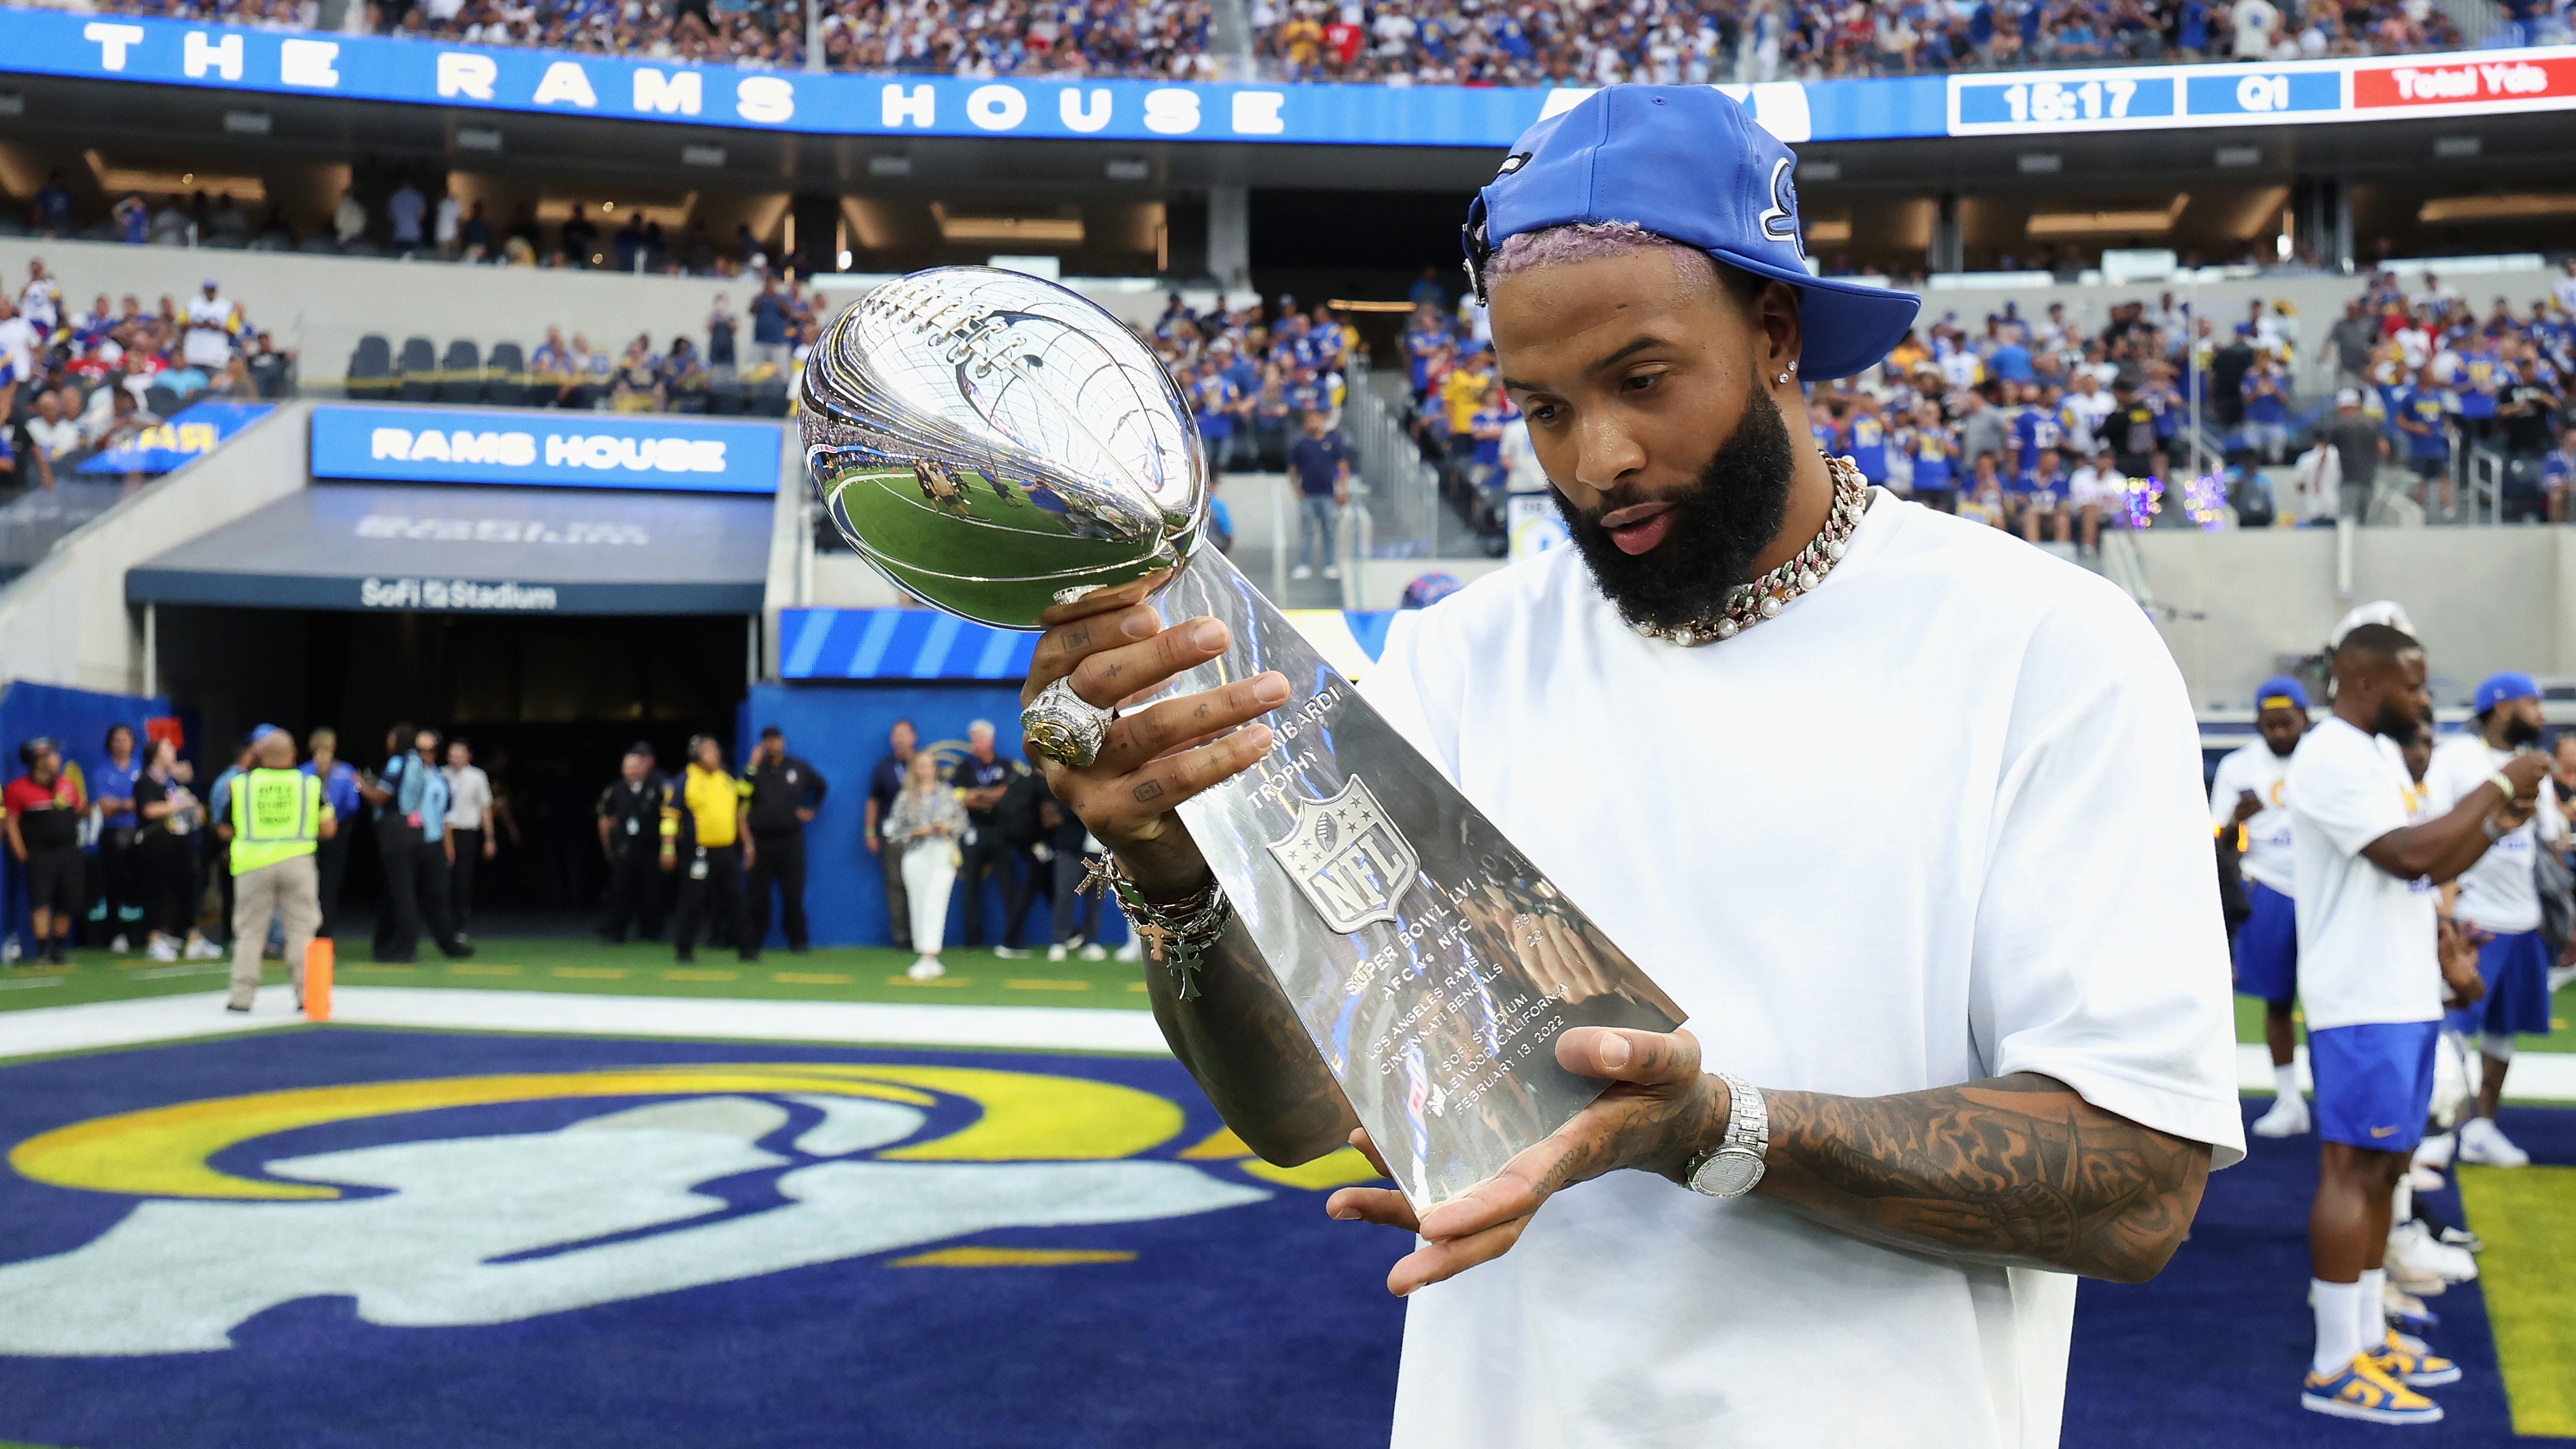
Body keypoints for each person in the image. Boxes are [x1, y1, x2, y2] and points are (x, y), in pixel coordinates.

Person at [1020, 86, 2241, 1447]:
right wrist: (1169, 872)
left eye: (1642, 381)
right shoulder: (1454, 665)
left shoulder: (2042, 649)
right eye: (1543, 409)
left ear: (1776, 335)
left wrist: (1711, 1131)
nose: (1598, 459)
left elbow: (2138, 1189)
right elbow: (1303, 1105)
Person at [2284, 621, 2549, 1424]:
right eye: (2414, 682)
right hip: (2357, 997)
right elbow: (2402, 856)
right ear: (2365, 683)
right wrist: (2496, 790)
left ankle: (2366, 1337)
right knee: (2351, 1169)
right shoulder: (2329, 752)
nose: (2423, 698)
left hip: (2397, 993)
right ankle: (2332, 1365)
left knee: (2387, 1170)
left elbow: (2430, 867)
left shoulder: (2369, 755)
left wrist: (2493, 825)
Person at [2425, 672, 2566, 1168]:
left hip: (2524, 916)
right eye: (2533, 703)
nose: (2542, 715)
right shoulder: (2455, 757)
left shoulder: (2533, 763)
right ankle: (2442, 1126)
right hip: (2473, 917)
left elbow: (2549, 837)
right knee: (2455, 1025)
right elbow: (2435, 830)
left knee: (2504, 1030)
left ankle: (2483, 1126)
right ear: (2501, 706)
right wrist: (2443, 913)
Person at [2211, 677, 2312, 1137]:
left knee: (2329, 1000)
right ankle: (2289, 1100)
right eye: (2269, 726)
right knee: (2276, 1000)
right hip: (2268, 886)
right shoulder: (2237, 766)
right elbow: (2219, 843)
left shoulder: (2324, 760)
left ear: (2304, 720)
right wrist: (2237, 821)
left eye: (2285, 724)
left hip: (2322, 888)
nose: (2277, 734)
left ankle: (2333, 1098)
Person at [215, 731, 332, 1014]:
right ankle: (307, 996)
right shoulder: (308, 786)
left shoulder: (243, 786)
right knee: (302, 930)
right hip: (298, 863)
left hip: (253, 865)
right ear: (294, 754)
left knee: (250, 932)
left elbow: (223, 829)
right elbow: (329, 828)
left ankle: (242, 997)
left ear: (261, 756)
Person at [661, 734, 754, 964]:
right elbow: (670, 816)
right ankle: (685, 950)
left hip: (726, 851)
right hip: (698, 852)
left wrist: (748, 844)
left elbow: (740, 804)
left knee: (736, 900)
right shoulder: (685, 780)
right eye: (710, 752)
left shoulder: (725, 779)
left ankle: (747, 949)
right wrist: (668, 847)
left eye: (716, 751)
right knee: (692, 902)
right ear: (697, 756)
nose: (716, 756)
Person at [131, 737, 217, 963]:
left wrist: (193, 807)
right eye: (167, 748)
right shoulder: (145, 781)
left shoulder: (171, 782)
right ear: (156, 754)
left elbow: (188, 804)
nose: (173, 752)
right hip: (156, 846)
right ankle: (154, 939)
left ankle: (191, 936)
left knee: (187, 888)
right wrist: (181, 804)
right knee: (157, 891)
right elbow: (149, 810)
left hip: (180, 843)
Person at [883, 750, 967, 981]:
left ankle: (930, 956)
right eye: (921, 766)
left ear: (935, 769)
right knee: (918, 903)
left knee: (935, 903)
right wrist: (916, 832)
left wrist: (947, 827)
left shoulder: (948, 794)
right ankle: (924, 954)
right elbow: (893, 831)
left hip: (942, 853)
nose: (926, 771)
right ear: (915, 770)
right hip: (915, 854)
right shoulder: (905, 797)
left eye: (929, 766)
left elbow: (962, 823)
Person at [745, 725, 827, 954]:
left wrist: (812, 809)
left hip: (790, 841)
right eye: (767, 741)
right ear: (763, 744)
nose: (772, 744)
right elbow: (741, 795)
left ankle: (798, 941)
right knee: (757, 895)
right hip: (760, 841)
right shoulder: (755, 771)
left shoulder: (798, 768)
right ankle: (755, 939)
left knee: (793, 893)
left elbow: (821, 786)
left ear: (783, 742)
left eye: (776, 740)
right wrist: (752, 765)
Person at [6, 738, 84, 966]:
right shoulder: (16, 789)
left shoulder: (67, 785)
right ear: (38, 760)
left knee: (67, 901)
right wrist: (21, 852)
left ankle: (58, 950)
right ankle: (42, 952)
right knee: (40, 902)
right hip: (39, 854)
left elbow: (78, 812)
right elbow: (11, 822)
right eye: (51, 755)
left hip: (69, 852)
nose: (57, 759)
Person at [951, 720, 1022, 953]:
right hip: (974, 831)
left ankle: (1013, 940)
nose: (975, 744)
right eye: (973, 739)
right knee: (970, 886)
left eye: (980, 739)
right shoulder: (964, 768)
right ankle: (973, 941)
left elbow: (1008, 794)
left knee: (1009, 886)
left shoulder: (1006, 765)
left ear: (991, 740)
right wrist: (989, 795)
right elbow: (959, 797)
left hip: (1003, 831)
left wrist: (978, 795)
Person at [597, 744, 670, 944]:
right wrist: (608, 850)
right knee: (621, 890)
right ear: (622, 769)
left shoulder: (656, 789)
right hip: (624, 849)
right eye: (629, 767)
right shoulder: (615, 790)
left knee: (652, 890)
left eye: (637, 767)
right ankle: (617, 930)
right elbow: (604, 820)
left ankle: (652, 930)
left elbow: (668, 816)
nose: (633, 771)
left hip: (649, 848)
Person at [864, 720, 920, 950]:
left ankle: (924, 937)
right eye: (895, 735)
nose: (899, 739)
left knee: (920, 884)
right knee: (896, 885)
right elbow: (873, 801)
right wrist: (869, 832)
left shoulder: (924, 763)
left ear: (914, 738)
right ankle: (902, 938)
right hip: (894, 835)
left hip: (922, 835)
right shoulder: (884, 767)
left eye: (904, 735)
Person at [93, 723, 145, 954]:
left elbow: (146, 802)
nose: (121, 744)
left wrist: (121, 805)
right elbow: (104, 806)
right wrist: (129, 805)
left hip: (139, 834)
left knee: (138, 881)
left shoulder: (140, 770)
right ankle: (116, 934)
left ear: (133, 743)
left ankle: (141, 933)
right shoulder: (102, 772)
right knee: (114, 884)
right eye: (117, 739)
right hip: (112, 834)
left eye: (125, 739)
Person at [442, 738, 496, 931]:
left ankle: (460, 925)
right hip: (444, 832)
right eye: (451, 755)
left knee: (463, 880)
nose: (455, 759)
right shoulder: (442, 774)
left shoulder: (477, 777)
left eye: (459, 755)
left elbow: (485, 808)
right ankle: (444, 925)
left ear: (469, 756)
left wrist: (490, 838)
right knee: (443, 879)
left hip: (467, 832)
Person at [1288, 410, 1349, 582]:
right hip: (1308, 495)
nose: (1312, 424)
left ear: (1322, 421)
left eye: (1315, 419)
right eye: (1309, 421)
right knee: (1307, 531)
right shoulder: (1301, 445)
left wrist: (1343, 489)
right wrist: (1297, 490)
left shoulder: (1332, 443)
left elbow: (1342, 467)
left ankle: (1330, 565)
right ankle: (1304, 564)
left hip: (1328, 494)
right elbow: (1293, 471)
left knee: (1329, 530)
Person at [2319, 388, 2389, 522]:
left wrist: (2318, 477)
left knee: (2347, 520)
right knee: (2365, 520)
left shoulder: (2338, 427)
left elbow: (2325, 452)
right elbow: (2383, 449)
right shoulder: (2372, 424)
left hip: (2348, 480)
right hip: (2369, 478)